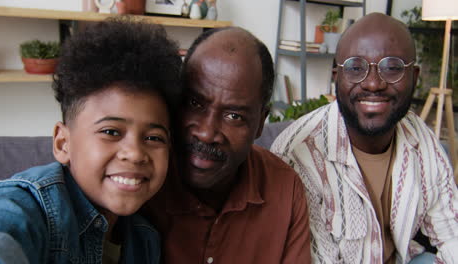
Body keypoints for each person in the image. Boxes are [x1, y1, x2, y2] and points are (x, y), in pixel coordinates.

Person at [0, 18, 182, 263]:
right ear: (62, 143)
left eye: (154, 137)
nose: (134, 153)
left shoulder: (145, 239)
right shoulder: (27, 211)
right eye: (111, 132)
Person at [271, 13, 458, 264]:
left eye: (392, 68)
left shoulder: (420, 136)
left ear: (415, 76)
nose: (373, 83)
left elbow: (451, 232)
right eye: (356, 68)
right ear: (336, 76)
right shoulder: (298, 155)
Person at [143, 27, 311, 263]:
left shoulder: (284, 190)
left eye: (234, 116)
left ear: (261, 123)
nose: (206, 133)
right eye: (194, 103)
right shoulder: (139, 175)